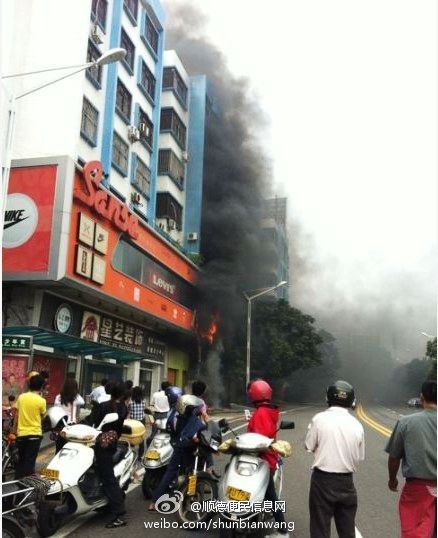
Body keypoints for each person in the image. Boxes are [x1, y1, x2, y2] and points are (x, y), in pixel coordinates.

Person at [305, 380, 364, 538]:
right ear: (351, 400)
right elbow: (359, 457)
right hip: (346, 483)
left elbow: (308, 445)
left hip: (322, 480)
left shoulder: (319, 419)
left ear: (328, 397)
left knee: (320, 527)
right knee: (347, 530)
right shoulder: (357, 425)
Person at [385, 379, 437, 538]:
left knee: (415, 532)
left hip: (418, 490)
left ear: (421, 397)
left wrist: (392, 479)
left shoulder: (406, 422)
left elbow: (394, 457)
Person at [247, 379, 289, 538]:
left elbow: (258, 440)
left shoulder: (261, 414)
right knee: (263, 493)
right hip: (267, 459)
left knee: (270, 496)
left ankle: (283, 531)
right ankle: (251, 521)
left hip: (262, 460)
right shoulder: (266, 411)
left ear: (254, 395)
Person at [148, 394, 205, 511]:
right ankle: (189, 499)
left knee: (170, 473)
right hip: (189, 449)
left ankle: (154, 501)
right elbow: (202, 431)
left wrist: (175, 443)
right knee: (193, 473)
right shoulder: (193, 419)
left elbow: (172, 432)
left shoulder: (173, 415)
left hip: (178, 447)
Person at [87, 382, 128, 528]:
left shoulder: (106, 406)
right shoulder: (123, 407)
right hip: (107, 443)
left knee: (108, 478)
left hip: (103, 445)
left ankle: (119, 513)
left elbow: (92, 421)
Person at [13, 374, 47, 478]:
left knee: (20, 461)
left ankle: (18, 486)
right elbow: (42, 417)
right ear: (41, 387)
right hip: (35, 435)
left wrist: (14, 430)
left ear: (30, 385)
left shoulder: (21, 397)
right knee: (29, 462)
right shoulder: (41, 401)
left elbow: (17, 416)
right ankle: (25, 488)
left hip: (21, 434)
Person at [54, 377, 85, 453]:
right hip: (72, 426)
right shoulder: (76, 398)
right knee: (71, 448)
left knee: (59, 448)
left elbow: (56, 410)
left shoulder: (58, 397)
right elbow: (83, 402)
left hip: (60, 426)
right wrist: (76, 393)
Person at [146, 381, 171, 446]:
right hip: (165, 415)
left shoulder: (155, 394)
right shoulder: (169, 395)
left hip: (156, 415)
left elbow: (151, 405)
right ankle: (161, 447)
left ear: (161, 386)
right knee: (164, 433)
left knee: (153, 432)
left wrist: (150, 417)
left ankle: (149, 446)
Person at [128, 386, 146, 461]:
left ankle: (130, 454)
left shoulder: (131, 402)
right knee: (141, 438)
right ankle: (140, 456)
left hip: (133, 422)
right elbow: (144, 410)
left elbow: (129, 411)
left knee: (131, 437)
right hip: (141, 422)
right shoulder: (143, 401)